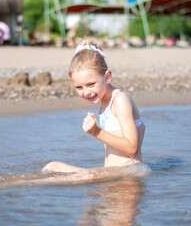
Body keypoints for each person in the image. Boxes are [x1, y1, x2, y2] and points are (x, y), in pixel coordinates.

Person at [42, 40, 145, 173]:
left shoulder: (120, 100)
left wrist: (96, 132)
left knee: (63, 172)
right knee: (52, 167)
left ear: (107, 77)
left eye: (91, 84)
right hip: (114, 174)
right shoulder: (104, 102)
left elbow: (132, 148)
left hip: (128, 175)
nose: (86, 92)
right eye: (79, 87)